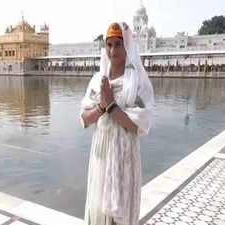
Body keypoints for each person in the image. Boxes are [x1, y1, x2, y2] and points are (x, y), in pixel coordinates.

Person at [80, 22, 155, 225]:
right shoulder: (98, 80)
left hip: (124, 157)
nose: (113, 51)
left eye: (118, 44)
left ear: (127, 46)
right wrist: (102, 107)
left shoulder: (137, 81)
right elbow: (85, 118)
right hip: (101, 155)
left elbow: (140, 124)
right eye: (109, 44)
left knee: (120, 213)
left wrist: (111, 105)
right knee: (98, 212)